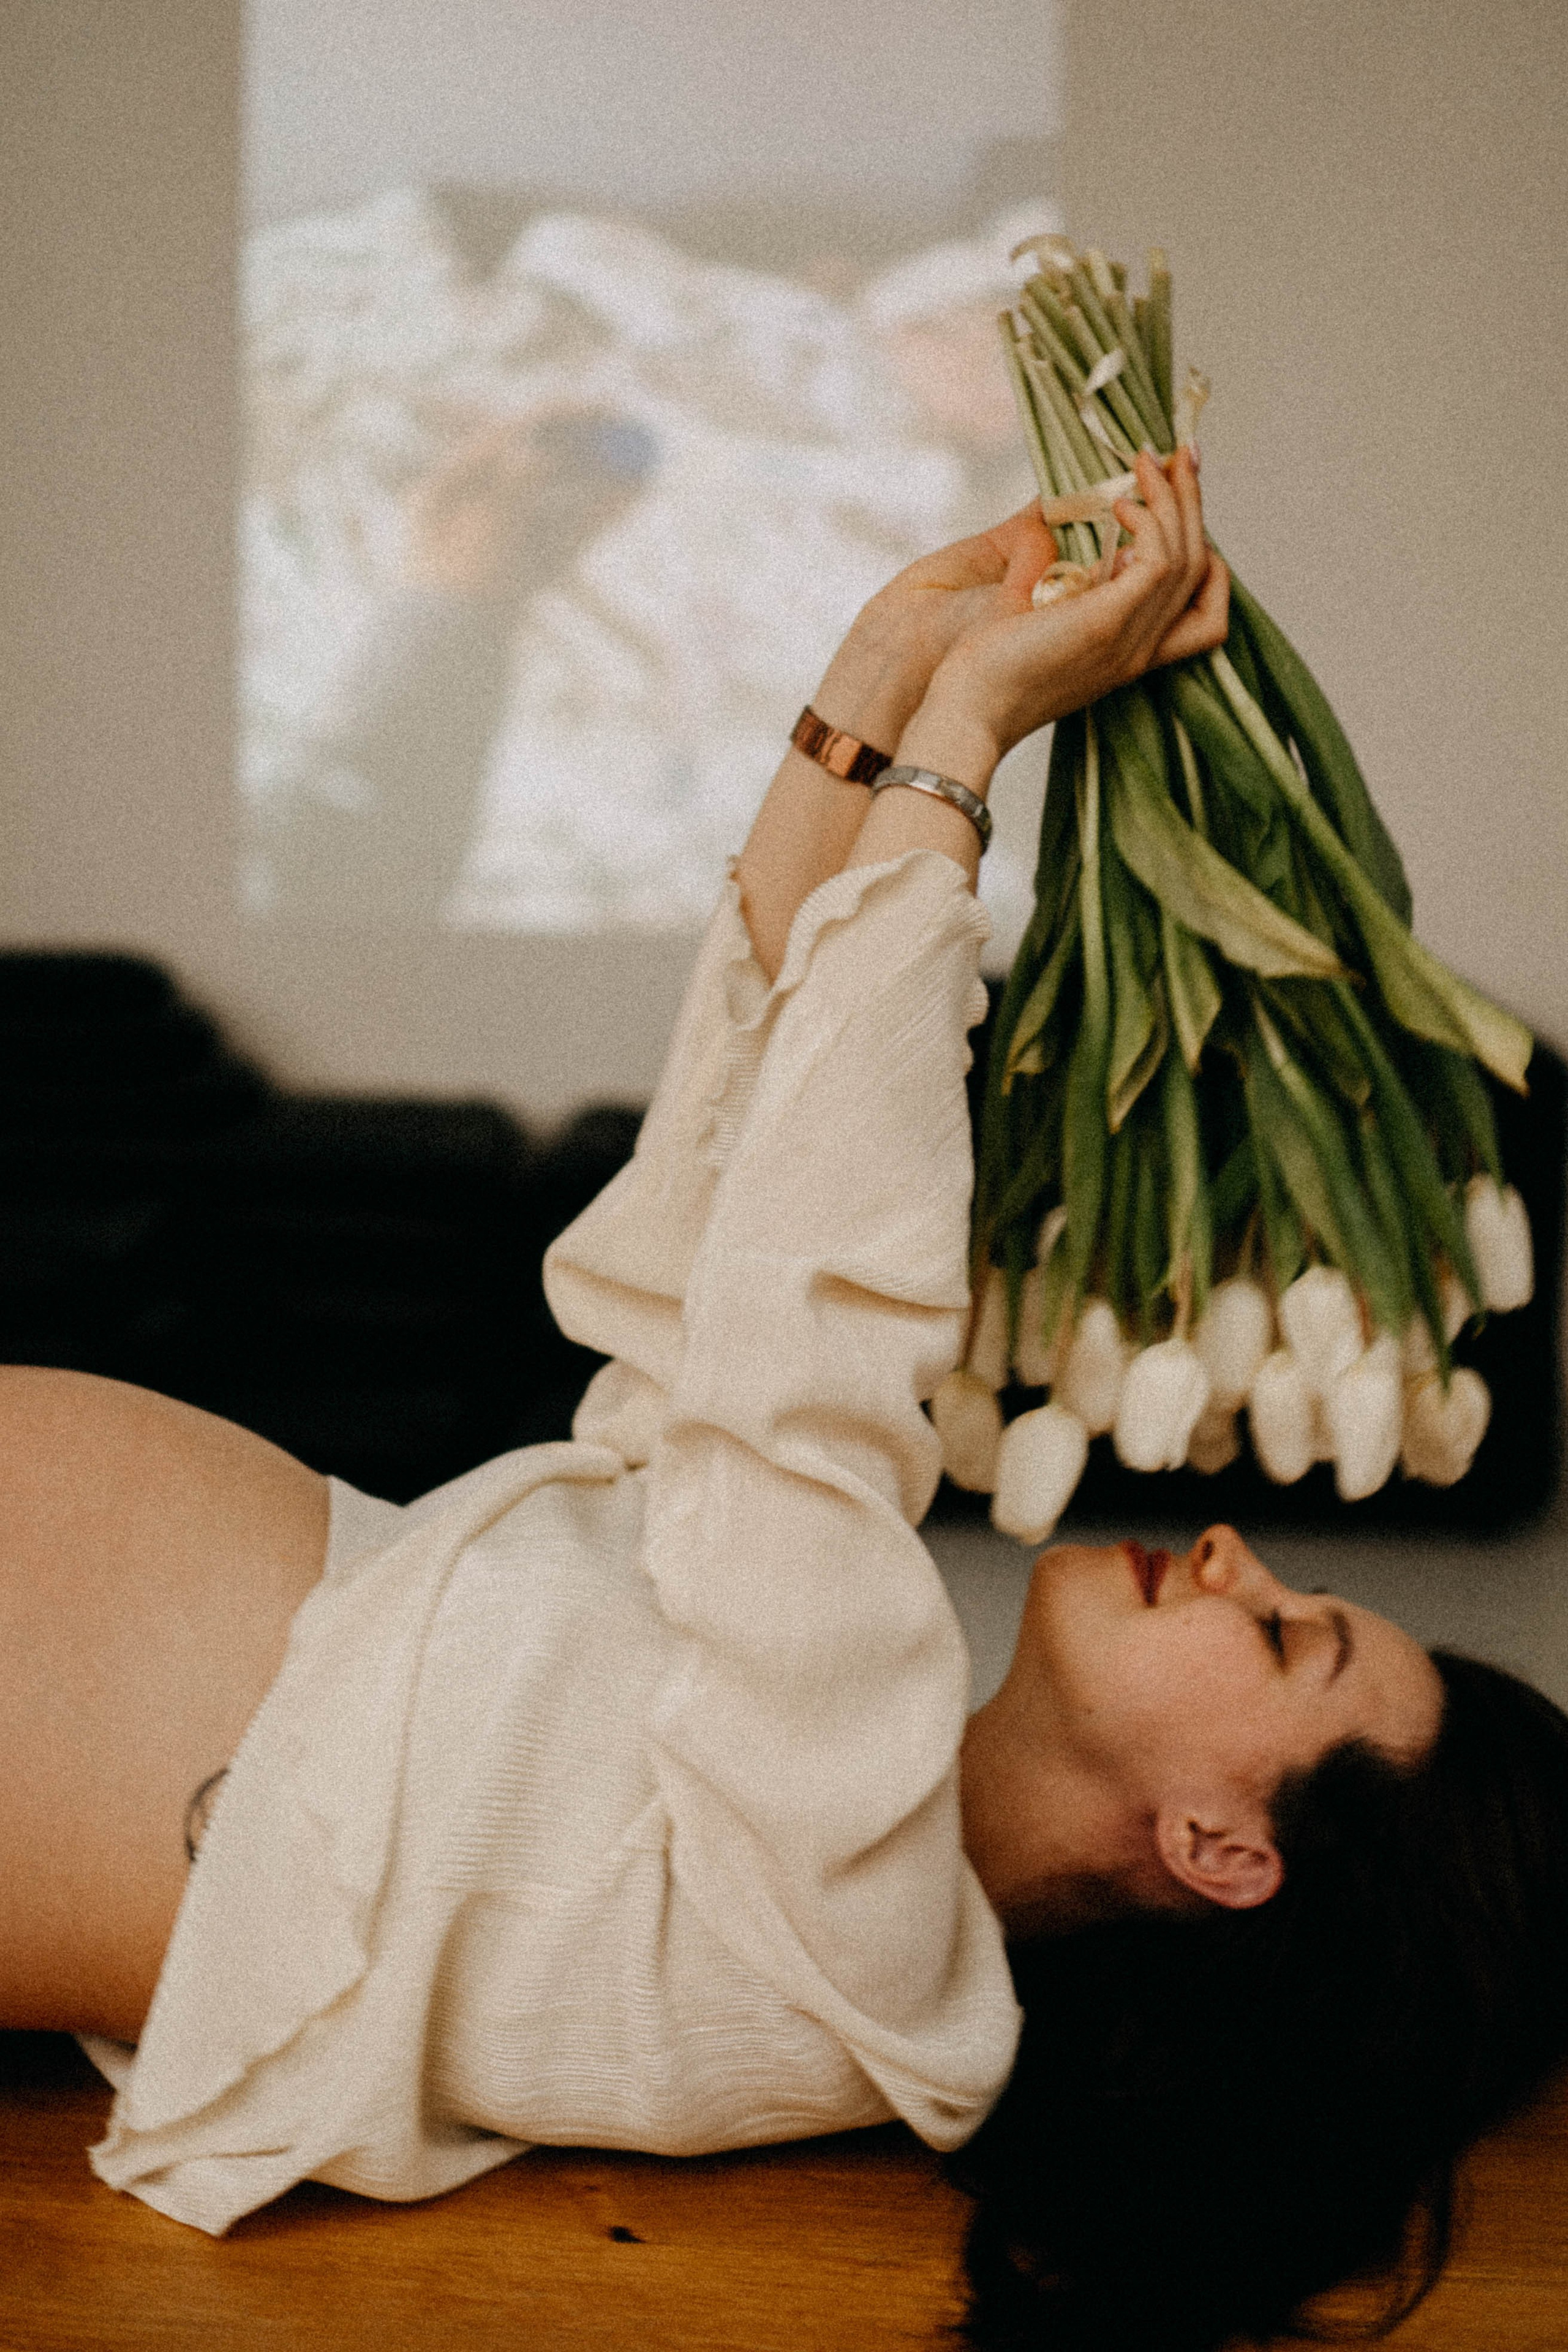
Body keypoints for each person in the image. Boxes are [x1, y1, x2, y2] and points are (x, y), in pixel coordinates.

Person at [4, 450, 1567, 2352]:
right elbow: (705, 1281)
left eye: (1293, 1640)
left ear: (1226, 1854)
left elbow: (802, 1355)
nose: (1241, 1558)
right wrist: (887, 675)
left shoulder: (877, 1949)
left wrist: (974, 744)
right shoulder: (838, 1786)